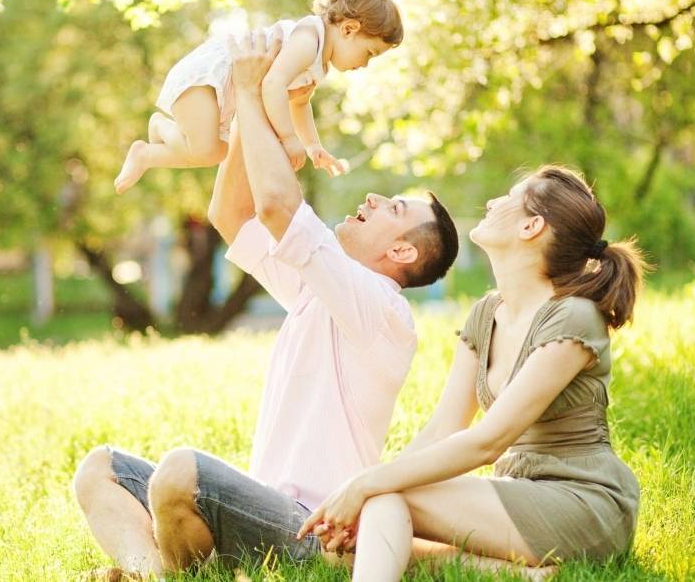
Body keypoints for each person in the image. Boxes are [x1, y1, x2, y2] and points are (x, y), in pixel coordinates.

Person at [73, 30, 459, 579]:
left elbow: (276, 205)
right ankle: (149, 573)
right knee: (100, 469)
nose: (373, 198)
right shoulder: (318, 287)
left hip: (311, 530)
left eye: (394, 208)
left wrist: (255, 92)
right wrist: (239, 113)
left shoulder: (381, 310)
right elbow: (232, 215)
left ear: (402, 251)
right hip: (256, 510)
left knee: (181, 472)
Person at [298, 165, 647, 580]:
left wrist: (364, 485)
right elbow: (442, 429)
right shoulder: (486, 314)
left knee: (383, 504)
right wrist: (370, 487)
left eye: (509, 198)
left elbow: (488, 442)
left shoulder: (573, 317)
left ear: (532, 226)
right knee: (353, 541)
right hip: (519, 492)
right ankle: (517, 574)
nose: (493, 202)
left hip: (582, 501)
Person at [113, 0, 403, 193]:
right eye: (369, 53)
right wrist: (288, 138)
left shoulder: (320, 63)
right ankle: (154, 137)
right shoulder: (309, 39)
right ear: (349, 29)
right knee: (204, 150)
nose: (365, 64)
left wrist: (312, 145)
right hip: (211, 75)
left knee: (216, 152)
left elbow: (300, 102)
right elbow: (273, 84)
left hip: (225, 91)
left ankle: (151, 149)